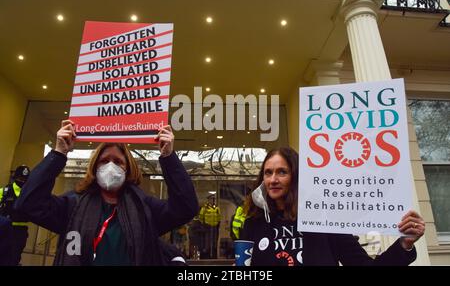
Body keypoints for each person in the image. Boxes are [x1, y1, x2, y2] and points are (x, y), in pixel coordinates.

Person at [14, 120, 199, 265]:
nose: (111, 166)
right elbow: (29, 204)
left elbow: (186, 208)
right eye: (104, 161)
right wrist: (59, 153)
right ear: (94, 168)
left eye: (118, 162)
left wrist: (168, 158)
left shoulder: (145, 208)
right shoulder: (72, 206)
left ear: (128, 170)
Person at [240, 147, 425, 266]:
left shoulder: (326, 219)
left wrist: (404, 244)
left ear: (296, 177)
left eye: (282, 172)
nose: (273, 180)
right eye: (268, 173)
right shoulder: (253, 223)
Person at [0, 165, 31, 265]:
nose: (22, 181)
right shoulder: (4, 192)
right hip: (3, 229)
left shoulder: (29, 194)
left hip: (20, 232)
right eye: (20, 178)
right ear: (15, 177)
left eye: (24, 179)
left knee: (14, 259)